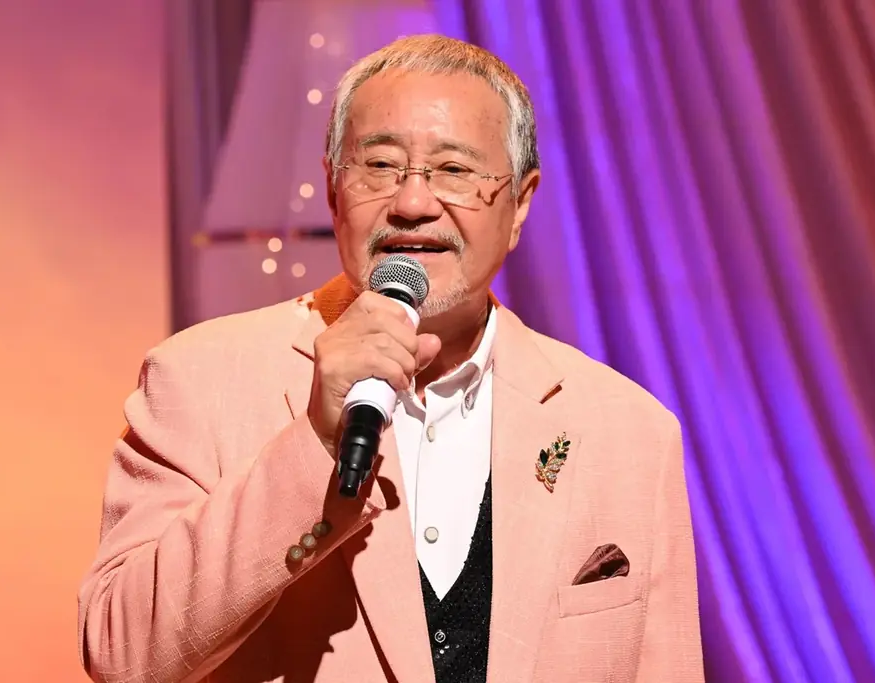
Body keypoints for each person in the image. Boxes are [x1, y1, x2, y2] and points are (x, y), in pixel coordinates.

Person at [77, 34, 703, 683]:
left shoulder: (628, 431)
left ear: (520, 203)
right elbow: (123, 652)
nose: (411, 203)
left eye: (455, 170)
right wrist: (314, 442)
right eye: (379, 165)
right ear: (333, 191)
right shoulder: (199, 379)